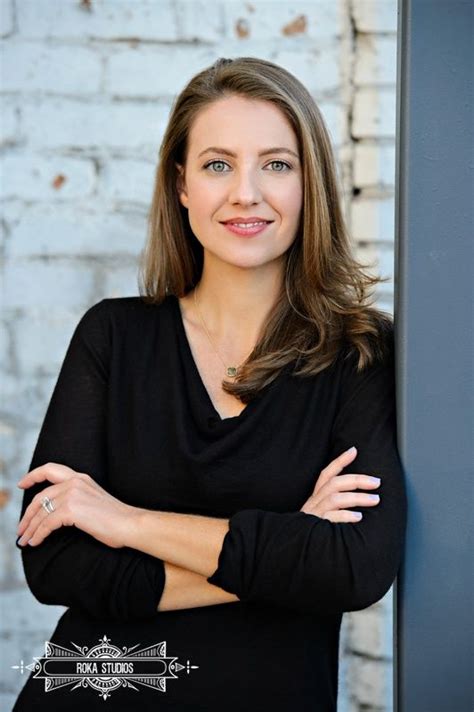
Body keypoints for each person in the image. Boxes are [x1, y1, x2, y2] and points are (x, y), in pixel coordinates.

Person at [13, 56, 407, 712]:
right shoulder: (113, 337)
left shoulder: (359, 352)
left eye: (276, 164)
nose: (245, 193)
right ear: (182, 186)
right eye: (218, 164)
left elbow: (350, 568)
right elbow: (53, 565)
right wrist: (285, 543)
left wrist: (126, 521)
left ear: (311, 183)